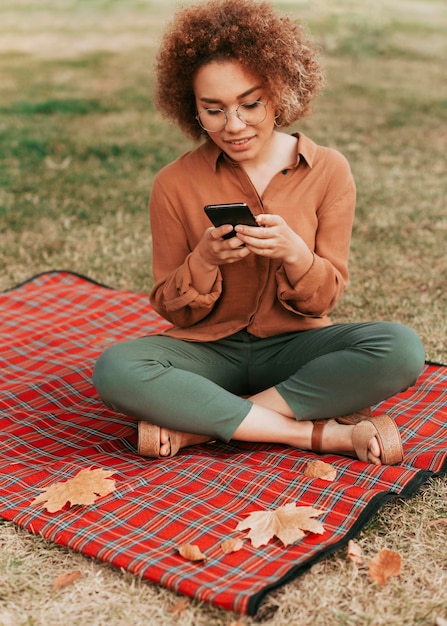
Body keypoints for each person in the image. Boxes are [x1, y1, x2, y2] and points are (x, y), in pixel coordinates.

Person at [93, 0, 425, 465]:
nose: (233, 126)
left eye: (250, 104)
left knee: (400, 349)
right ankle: (316, 434)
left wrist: (296, 255)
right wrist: (204, 262)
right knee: (116, 369)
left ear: (281, 92)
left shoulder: (329, 170)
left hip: (295, 348)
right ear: (191, 109)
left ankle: (199, 429)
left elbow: (324, 298)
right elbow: (170, 306)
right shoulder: (173, 182)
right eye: (213, 110)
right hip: (208, 353)